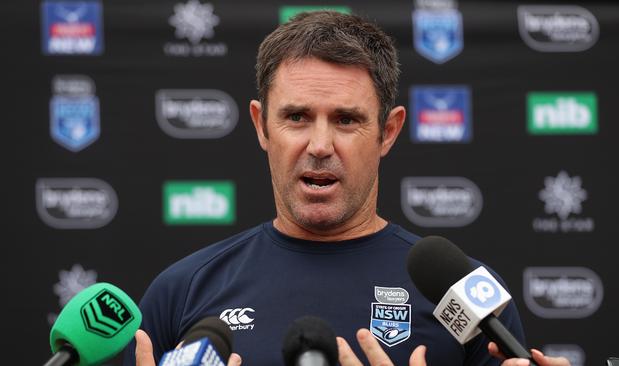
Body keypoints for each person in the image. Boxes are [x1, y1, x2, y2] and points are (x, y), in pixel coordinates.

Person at [125, 11, 532, 365]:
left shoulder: (468, 297)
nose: (319, 146)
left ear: (388, 132)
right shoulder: (181, 290)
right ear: (261, 125)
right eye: (298, 116)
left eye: (346, 120)